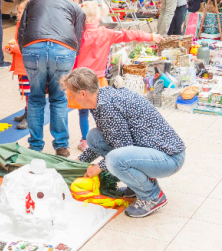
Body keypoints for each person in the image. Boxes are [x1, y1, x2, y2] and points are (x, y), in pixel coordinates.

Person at [69, 67, 186, 218]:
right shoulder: (101, 98)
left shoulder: (106, 107)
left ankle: (152, 196)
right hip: (154, 152)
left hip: (169, 158)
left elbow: (123, 149)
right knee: (94, 137)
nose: (70, 98)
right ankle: (137, 185)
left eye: (71, 95)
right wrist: (80, 161)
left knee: (115, 160)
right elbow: (111, 136)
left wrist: (98, 167)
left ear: (83, 94)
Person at [74, 1, 161, 150]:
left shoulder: (77, 34)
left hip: (79, 80)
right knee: (100, 111)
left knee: (82, 112)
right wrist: (150, 36)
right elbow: (128, 35)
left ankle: (84, 140)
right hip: (98, 80)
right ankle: (105, 137)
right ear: (99, 17)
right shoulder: (106, 33)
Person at [16, 0, 85, 156]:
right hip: (63, 49)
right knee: (59, 98)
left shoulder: (33, 0)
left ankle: (35, 146)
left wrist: (26, 50)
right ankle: (61, 146)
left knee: (35, 97)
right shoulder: (75, 7)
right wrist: (71, 56)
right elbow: (78, 37)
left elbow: (21, 31)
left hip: (33, 47)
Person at [4, 0, 30, 130]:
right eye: (18, 12)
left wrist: (14, 48)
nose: (18, 15)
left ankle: (30, 116)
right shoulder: (20, 24)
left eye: (21, 12)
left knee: (29, 93)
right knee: (25, 93)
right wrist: (11, 49)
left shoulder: (29, 27)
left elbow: (28, 48)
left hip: (27, 67)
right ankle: (27, 112)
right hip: (21, 65)